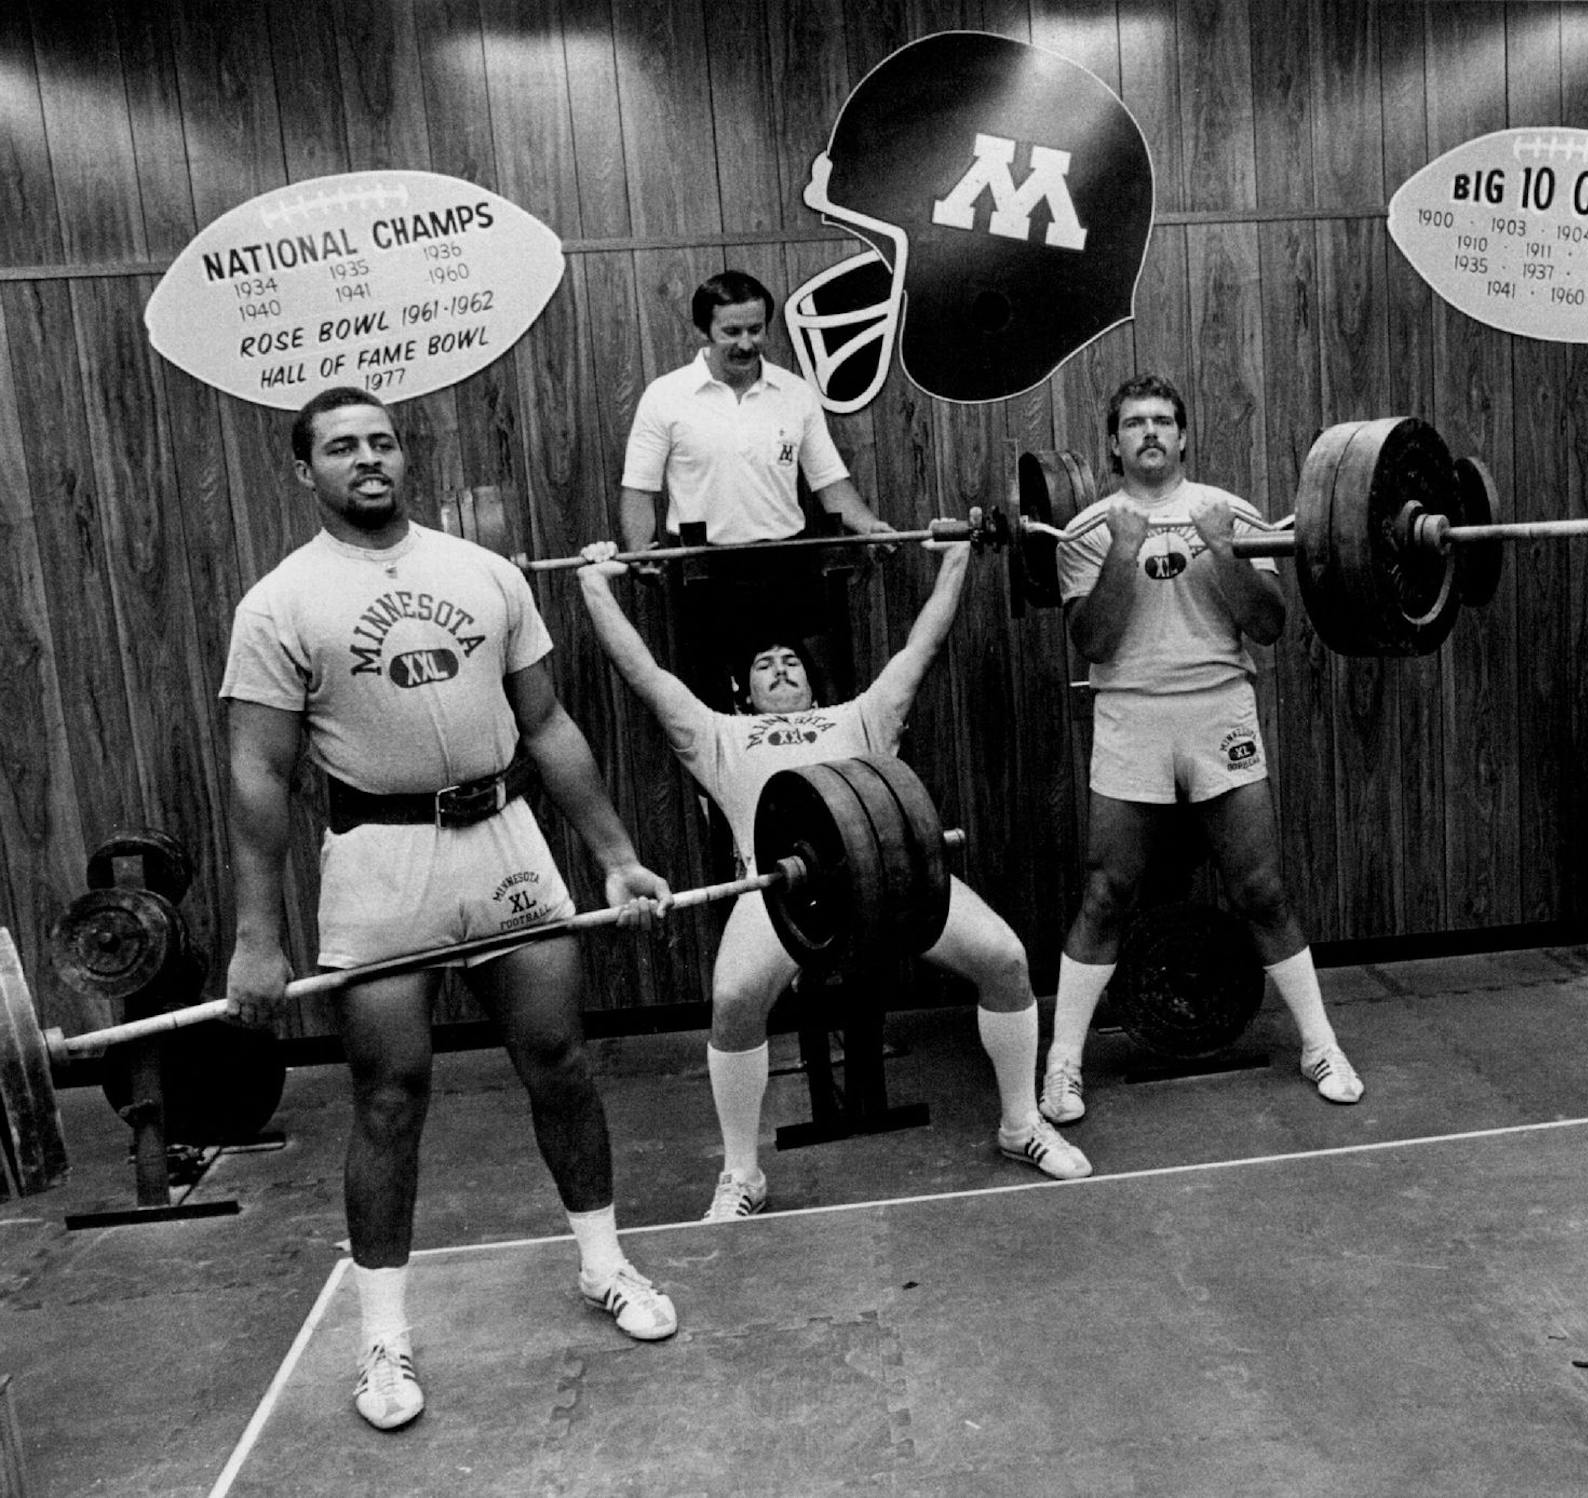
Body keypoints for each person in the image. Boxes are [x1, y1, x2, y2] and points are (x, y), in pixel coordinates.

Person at [221, 387, 681, 1433]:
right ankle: (383, 1336)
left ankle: (604, 1264)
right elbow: (257, 776)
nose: (368, 460)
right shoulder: (279, 604)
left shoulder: (484, 573)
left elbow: (549, 723)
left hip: (503, 840)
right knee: (390, 1093)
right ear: (306, 472)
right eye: (342, 448)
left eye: (381, 441)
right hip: (379, 861)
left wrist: (616, 855)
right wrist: (258, 938)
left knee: (561, 1062)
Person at [576, 531, 1090, 1220]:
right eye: (766, 664)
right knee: (732, 1003)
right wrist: (592, 584)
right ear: (743, 688)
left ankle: (1021, 1124)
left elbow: (921, 648)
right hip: (781, 894)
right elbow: (643, 675)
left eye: (793, 660)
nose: (781, 669)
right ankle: (741, 1175)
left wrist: (958, 553)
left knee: (1004, 960)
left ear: (815, 679)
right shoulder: (719, 736)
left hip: (895, 879)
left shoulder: (861, 718)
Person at [1040, 374, 1366, 1125]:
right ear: (1114, 442)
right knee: (1106, 893)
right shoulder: (1090, 529)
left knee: (1262, 890)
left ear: (1184, 436)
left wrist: (1223, 551)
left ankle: (1320, 1043)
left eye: (1162, 421)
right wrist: (1122, 554)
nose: (1149, 433)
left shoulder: (1235, 515)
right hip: (1130, 713)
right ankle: (1063, 1067)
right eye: (1133, 423)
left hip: (1219, 707)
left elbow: (1270, 625)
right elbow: (1093, 640)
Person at [619, 268, 893, 706]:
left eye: (755, 329)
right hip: (702, 571)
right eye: (731, 331)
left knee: (811, 701)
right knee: (716, 707)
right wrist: (639, 553)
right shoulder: (665, 396)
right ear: (703, 331)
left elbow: (829, 480)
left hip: (788, 563)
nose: (746, 343)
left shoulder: (795, 392)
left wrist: (869, 526)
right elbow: (639, 489)